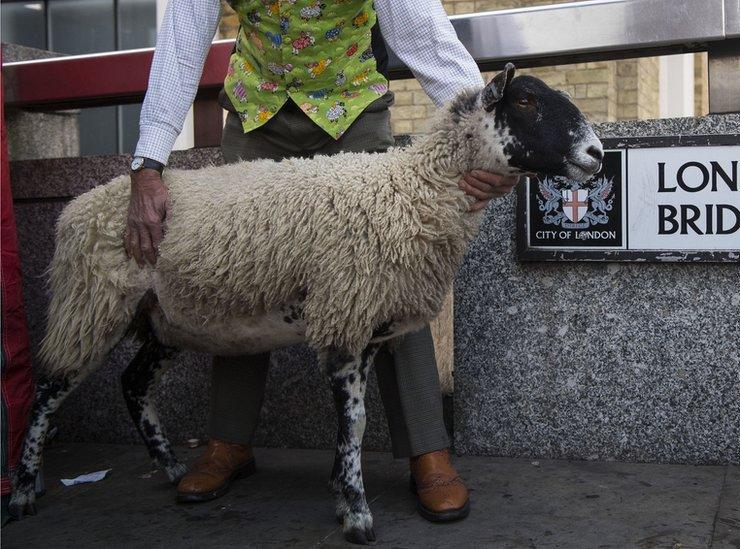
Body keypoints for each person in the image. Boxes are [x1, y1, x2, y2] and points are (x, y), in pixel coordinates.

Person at [126, 0, 517, 522]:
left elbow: (422, 33)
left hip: (350, 111)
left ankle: (428, 449)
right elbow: (180, 45)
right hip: (256, 113)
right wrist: (147, 162)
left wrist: (483, 136)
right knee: (241, 269)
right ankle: (229, 442)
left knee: (391, 276)